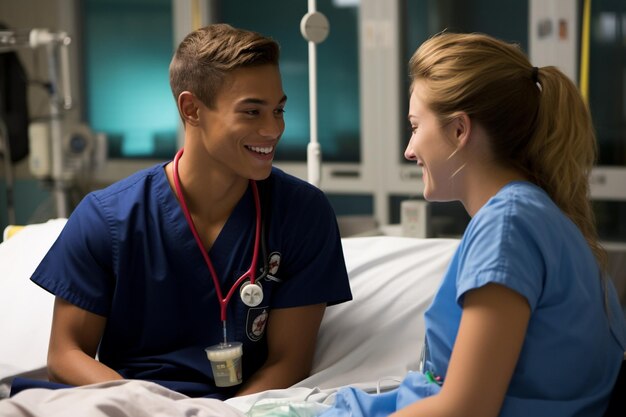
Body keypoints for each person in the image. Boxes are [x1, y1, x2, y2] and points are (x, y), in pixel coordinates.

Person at [17, 23, 352, 399]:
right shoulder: (107, 218)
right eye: (252, 112)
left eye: (278, 109)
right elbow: (65, 354)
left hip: (241, 408)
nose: (274, 129)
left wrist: (222, 416)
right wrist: (149, 407)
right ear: (192, 109)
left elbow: (288, 361)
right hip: (123, 404)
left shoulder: (302, 213)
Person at [320, 32, 626, 417]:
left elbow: (466, 408)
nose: (409, 150)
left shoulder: (508, 225)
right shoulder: (535, 215)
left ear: (460, 130)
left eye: (415, 126)